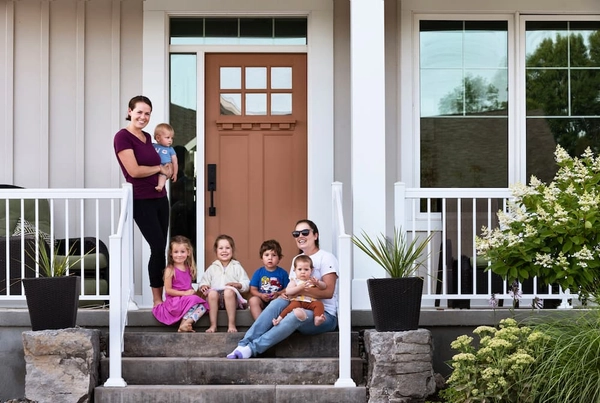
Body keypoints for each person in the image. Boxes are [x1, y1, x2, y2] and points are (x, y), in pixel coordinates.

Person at [227, 219, 338, 359]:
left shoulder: (326, 258)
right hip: (300, 303)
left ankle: (252, 349)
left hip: (323, 314)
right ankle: (243, 344)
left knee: (296, 313)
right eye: (296, 234)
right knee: (278, 303)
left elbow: (328, 292)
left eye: (305, 232)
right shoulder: (297, 259)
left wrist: (301, 290)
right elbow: (292, 287)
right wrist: (284, 294)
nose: (300, 236)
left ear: (315, 235)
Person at [114, 95, 173, 307]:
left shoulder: (149, 138)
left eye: (147, 113)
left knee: (162, 248)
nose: (143, 117)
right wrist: (159, 169)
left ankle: (166, 297)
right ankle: (157, 300)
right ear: (130, 111)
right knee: (157, 247)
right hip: (142, 199)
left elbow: (166, 159)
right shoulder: (123, 137)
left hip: (160, 198)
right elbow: (134, 171)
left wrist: (167, 172)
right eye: (139, 112)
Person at [152, 236, 209, 332]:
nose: (179, 255)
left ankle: (185, 323)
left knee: (204, 305)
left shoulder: (189, 268)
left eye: (182, 252)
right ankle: (184, 324)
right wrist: (185, 293)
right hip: (174, 302)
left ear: (188, 252)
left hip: (185, 299)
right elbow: (168, 290)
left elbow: (187, 286)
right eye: (176, 252)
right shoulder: (170, 270)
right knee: (195, 300)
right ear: (171, 253)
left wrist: (196, 292)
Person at [198, 235, 250, 333]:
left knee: (228, 291)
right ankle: (213, 325)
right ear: (216, 251)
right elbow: (204, 281)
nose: (224, 251)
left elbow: (246, 283)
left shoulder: (236, 267)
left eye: (227, 248)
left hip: (232, 300)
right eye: (221, 248)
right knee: (212, 293)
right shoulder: (212, 268)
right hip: (215, 301)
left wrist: (239, 285)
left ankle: (231, 324)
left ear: (232, 250)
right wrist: (203, 286)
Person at [272, 255, 326, 327]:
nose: (303, 272)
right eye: (300, 269)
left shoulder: (312, 280)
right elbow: (288, 291)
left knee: (319, 304)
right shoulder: (294, 281)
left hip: (310, 301)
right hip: (297, 301)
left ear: (311, 270)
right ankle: (278, 319)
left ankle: (317, 319)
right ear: (294, 270)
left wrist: (318, 283)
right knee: (288, 308)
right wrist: (300, 288)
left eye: (306, 269)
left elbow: (324, 287)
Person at [248, 240, 289, 320]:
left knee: (285, 301)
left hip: (277, 301)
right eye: (266, 255)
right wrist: (260, 295)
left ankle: (277, 323)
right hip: (262, 300)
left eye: (274, 255)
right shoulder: (258, 272)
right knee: (253, 300)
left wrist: (278, 293)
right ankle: (260, 324)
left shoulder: (283, 273)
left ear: (279, 259)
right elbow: (253, 289)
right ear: (262, 258)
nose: (270, 258)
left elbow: (287, 289)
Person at [153, 123, 178, 192]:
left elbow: (175, 162)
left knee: (163, 175)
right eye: (167, 137)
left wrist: (175, 173)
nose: (170, 140)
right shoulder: (153, 146)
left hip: (165, 166)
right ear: (158, 138)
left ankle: (160, 186)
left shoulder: (170, 149)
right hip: (154, 166)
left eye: (171, 138)